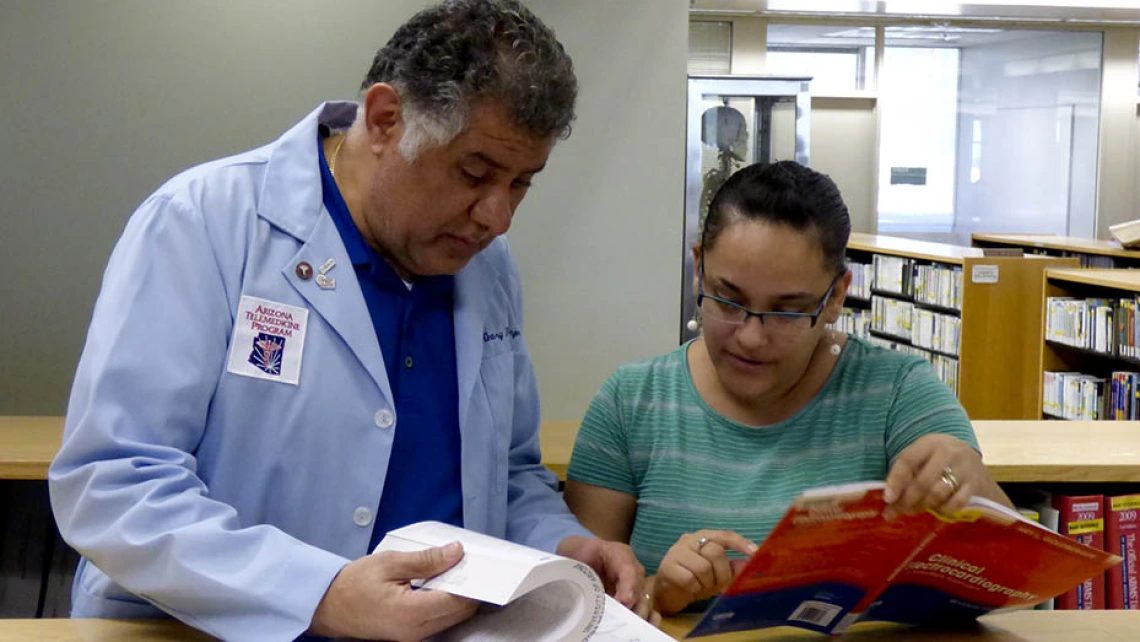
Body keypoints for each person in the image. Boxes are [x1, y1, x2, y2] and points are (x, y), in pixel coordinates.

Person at [48, 2, 646, 640]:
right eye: (475, 173)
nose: (498, 217)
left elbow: (510, 471)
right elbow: (113, 482)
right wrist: (317, 593)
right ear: (387, 119)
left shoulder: (486, 266)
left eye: (524, 183)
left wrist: (559, 544)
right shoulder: (202, 223)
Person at [564, 161, 1012, 616]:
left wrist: (976, 494)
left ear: (836, 297)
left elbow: (1007, 581)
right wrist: (659, 591)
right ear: (699, 269)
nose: (751, 336)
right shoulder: (630, 401)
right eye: (729, 300)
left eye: (788, 311)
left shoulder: (899, 393)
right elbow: (580, 599)